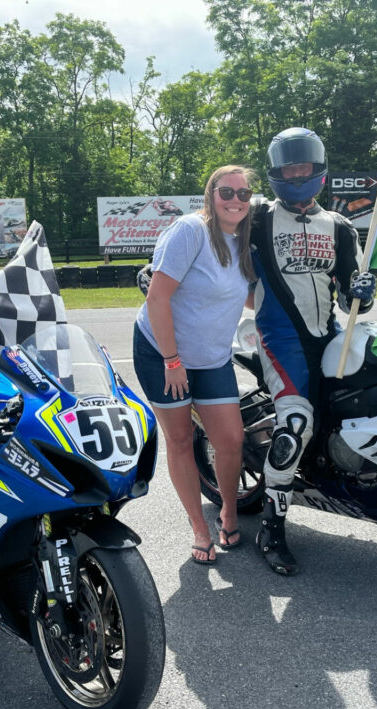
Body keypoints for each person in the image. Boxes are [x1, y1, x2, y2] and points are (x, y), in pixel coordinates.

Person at [250, 127, 377, 576]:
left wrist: (364, 290)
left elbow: (350, 301)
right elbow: (210, 243)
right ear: (276, 173)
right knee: (297, 425)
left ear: (318, 170)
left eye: (302, 166)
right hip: (277, 338)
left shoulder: (340, 227)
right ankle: (273, 527)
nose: (296, 173)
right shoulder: (257, 218)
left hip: (329, 335)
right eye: (289, 167)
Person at [133, 165, 256, 565]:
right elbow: (157, 297)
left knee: (231, 441)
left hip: (212, 356)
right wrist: (172, 360)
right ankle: (199, 529)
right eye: (227, 192)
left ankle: (228, 512)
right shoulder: (191, 231)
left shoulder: (243, 242)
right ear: (211, 194)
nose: (235, 200)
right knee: (182, 440)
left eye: (243, 194)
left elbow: (249, 299)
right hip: (163, 353)